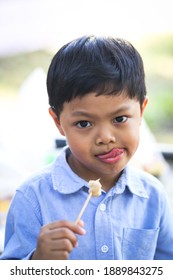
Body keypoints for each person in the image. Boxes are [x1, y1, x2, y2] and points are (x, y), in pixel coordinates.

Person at [1, 35, 173, 260]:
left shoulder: (152, 195)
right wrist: (38, 262)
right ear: (58, 123)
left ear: (141, 111)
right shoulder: (32, 197)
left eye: (120, 118)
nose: (106, 138)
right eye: (84, 123)